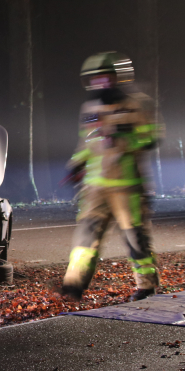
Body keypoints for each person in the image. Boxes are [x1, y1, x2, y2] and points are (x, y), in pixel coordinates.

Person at [60, 52, 162, 303]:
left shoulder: (138, 104)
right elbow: (86, 142)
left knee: (135, 238)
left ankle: (147, 286)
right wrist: (75, 164)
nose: (101, 83)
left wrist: (125, 139)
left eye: (106, 77)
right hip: (95, 188)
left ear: (119, 78)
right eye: (96, 79)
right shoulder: (89, 107)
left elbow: (151, 138)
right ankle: (73, 285)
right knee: (86, 237)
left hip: (127, 187)